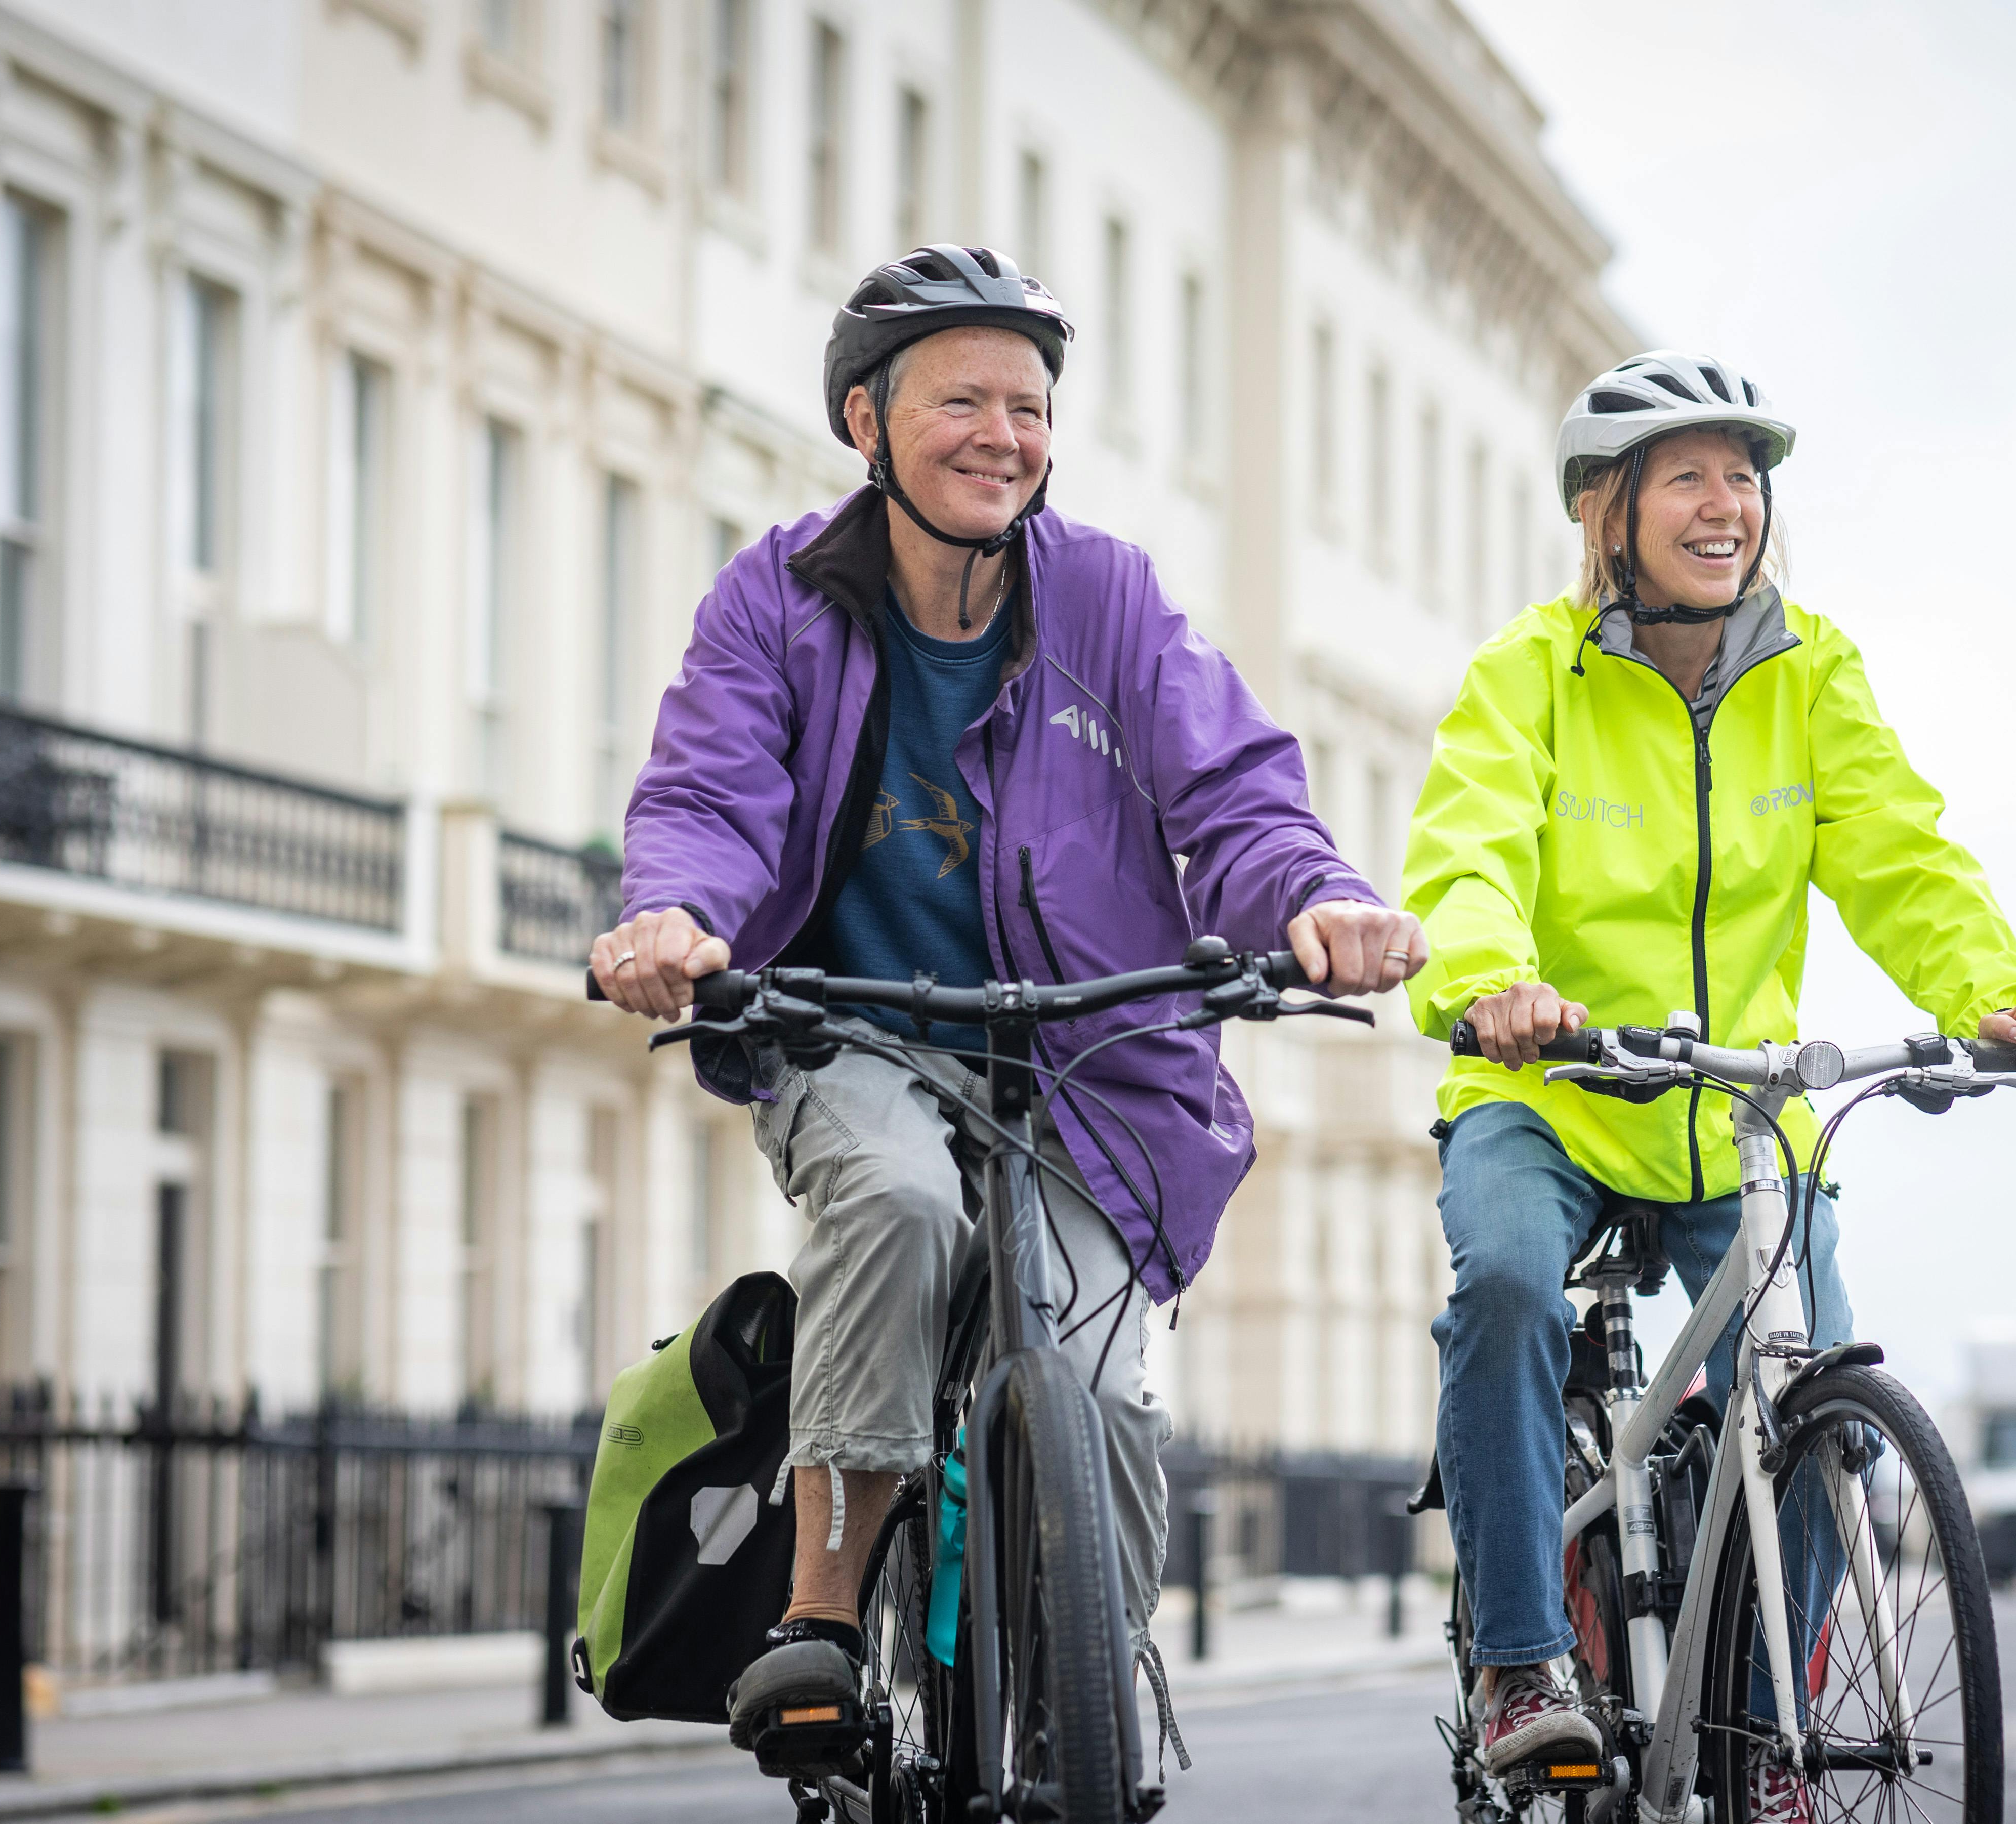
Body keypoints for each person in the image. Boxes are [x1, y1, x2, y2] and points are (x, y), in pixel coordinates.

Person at [592, 245, 1426, 1764]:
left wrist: (1309, 896)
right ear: (864, 421)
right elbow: (709, 790)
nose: (1002, 434)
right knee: (901, 1205)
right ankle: (825, 1617)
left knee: (1097, 1380)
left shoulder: (1102, 596)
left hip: (1087, 1060)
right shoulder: (775, 599)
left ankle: (1087, 1707)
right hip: (851, 1028)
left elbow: (1230, 786)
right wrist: (677, 918)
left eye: (1029, 405)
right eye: (959, 400)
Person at [1399, 352, 2016, 1821]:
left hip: (1733, 1106)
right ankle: (1519, 1660)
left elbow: (1896, 850)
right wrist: (1489, 986)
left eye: (1742, 478)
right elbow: (1466, 847)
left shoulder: (1810, 669)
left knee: (1820, 1366)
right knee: (1510, 1287)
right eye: (1688, 478)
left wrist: (1997, 994)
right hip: (1553, 1083)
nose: (1726, 506)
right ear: (1609, 511)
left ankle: (1764, 1735)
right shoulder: (1529, 671)